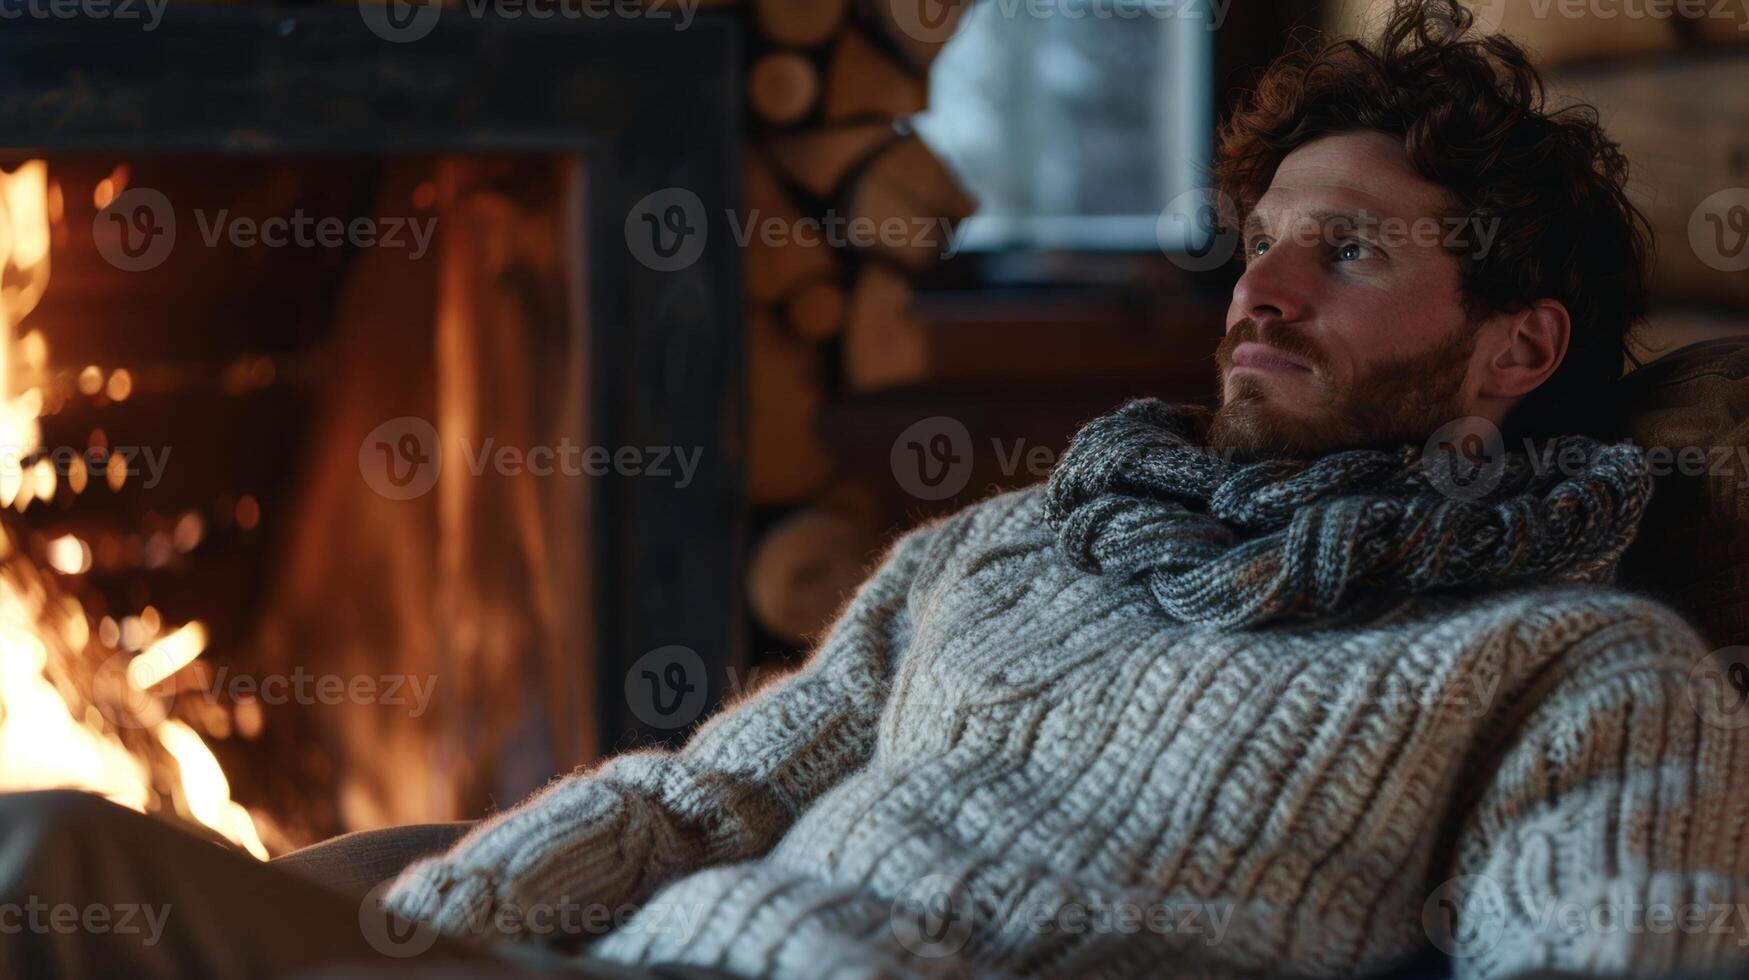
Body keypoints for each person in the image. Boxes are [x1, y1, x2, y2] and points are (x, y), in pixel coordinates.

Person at [5, 1, 1745, 977]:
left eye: (1344, 253)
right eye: (1259, 245)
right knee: (60, 871)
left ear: (1513, 351)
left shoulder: (1572, 666)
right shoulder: (1012, 548)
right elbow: (704, 802)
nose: (1257, 295)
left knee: (48, 869)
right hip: (642, 960)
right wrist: (397, 948)